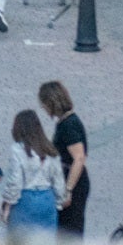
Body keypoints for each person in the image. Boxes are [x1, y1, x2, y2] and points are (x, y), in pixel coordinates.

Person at [0, 109, 68, 237]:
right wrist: (59, 200)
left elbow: (15, 181)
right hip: (47, 199)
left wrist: (7, 206)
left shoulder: (18, 150)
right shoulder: (50, 149)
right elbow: (58, 179)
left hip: (25, 200)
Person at [39, 81, 90, 236]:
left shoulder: (68, 126)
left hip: (73, 182)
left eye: (44, 104)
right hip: (68, 178)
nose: (43, 108)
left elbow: (79, 158)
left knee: (70, 229)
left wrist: (68, 190)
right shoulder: (66, 122)